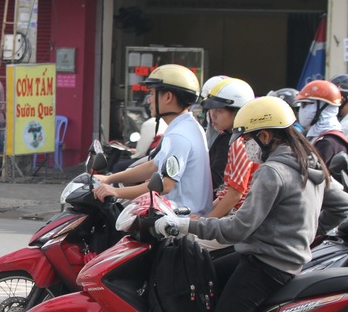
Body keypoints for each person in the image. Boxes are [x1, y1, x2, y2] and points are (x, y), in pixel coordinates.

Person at [154, 96, 331, 312]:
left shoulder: (272, 172)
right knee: (202, 272)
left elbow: (237, 229)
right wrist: (308, 230)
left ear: (265, 136)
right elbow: (340, 206)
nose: (245, 145)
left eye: (248, 138)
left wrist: (188, 225)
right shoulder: (311, 163)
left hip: (266, 265)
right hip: (275, 257)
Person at [94, 64, 213, 216]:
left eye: (152, 93)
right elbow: (153, 166)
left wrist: (116, 191)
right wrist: (109, 179)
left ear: (168, 97)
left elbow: (165, 184)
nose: (149, 100)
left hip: (179, 222)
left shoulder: (179, 136)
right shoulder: (188, 126)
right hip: (178, 216)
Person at [201, 77, 257, 218]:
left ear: (239, 112)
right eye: (211, 110)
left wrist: (205, 222)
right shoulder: (237, 139)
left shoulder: (241, 142)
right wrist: (203, 215)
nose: (212, 116)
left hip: (241, 217)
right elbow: (227, 192)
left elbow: (235, 194)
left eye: (219, 111)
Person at [295, 80, 348, 170]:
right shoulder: (321, 137)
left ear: (323, 106)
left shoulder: (328, 143)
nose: (302, 110)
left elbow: (310, 176)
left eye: (306, 104)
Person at [111, 94, 167, 173]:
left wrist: (134, 154)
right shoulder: (167, 122)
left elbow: (140, 154)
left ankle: (112, 185)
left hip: (150, 162)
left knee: (118, 166)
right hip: (157, 160)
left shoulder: (150, 123)